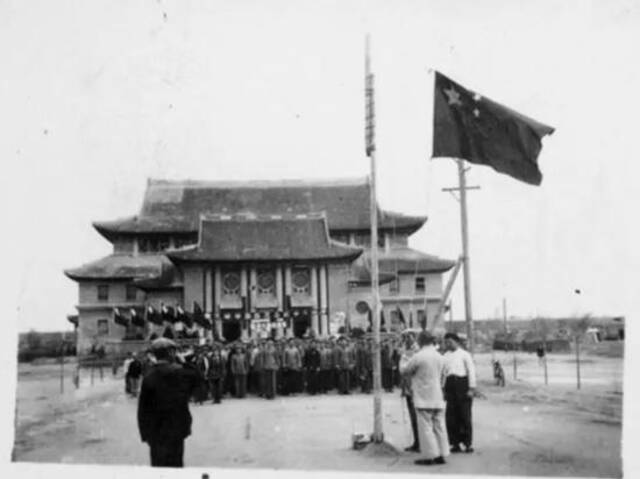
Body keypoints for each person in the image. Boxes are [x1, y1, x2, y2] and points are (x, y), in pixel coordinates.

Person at [137, 338, 199, 468]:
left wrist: (145, 434)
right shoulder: (181, 373)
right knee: (176, 465)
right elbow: (198, 380)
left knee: (158, 467)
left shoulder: (149, 377)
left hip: (156, 432)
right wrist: (185, 362)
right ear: (171, 353)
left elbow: (143, 410)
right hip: (177, 429)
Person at [400, 331, 449, 466]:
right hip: (438, 395)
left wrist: (404, 357)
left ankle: (429, 456)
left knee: (425, 427)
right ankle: (442, 454)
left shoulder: (418, 356)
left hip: (423, 396)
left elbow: (405, 370)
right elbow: (446, 373)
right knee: (440, 426)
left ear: (421, 341)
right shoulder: (440, 357)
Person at [443, 332, 477, 454]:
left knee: (465, 416)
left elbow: (471, 371)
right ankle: (455, 443)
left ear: (456, 341)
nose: (448, 344)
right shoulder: (445, 356)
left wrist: (471, 388)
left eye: (450, 342)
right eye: (446, 342)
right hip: (450, 386)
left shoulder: (465, 355)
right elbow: (443, 374)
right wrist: (443, 390)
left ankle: (468, 444)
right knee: (451, 417)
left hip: (462, 385)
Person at [400, 331, 420, 452]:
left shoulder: (417, 350)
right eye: (405, 337)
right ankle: (416, 442)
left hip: (416, 387)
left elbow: (407, 368)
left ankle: (420, 442)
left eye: (410, 336)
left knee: (418, 416)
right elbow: (402, 370)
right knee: (412, 417)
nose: (407, 339)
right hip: (408, 386)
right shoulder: (404, 350)